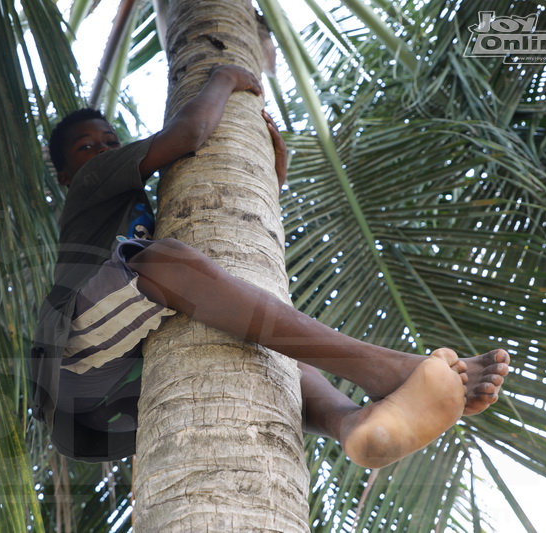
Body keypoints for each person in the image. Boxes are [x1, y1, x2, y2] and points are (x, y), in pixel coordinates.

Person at [30, 64, 510, 469]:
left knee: (269, 348)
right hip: (73, 355)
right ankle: (387, 369)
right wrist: (222, 77)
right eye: (87, 147)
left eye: (110, 141)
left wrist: (264, 190)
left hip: (119, 382)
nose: (104, 151)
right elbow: (190, 134)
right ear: (67, 174)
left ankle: (353, 423)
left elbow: (212, 234)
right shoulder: (91, 183)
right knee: (161, 261)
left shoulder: (135, 207)